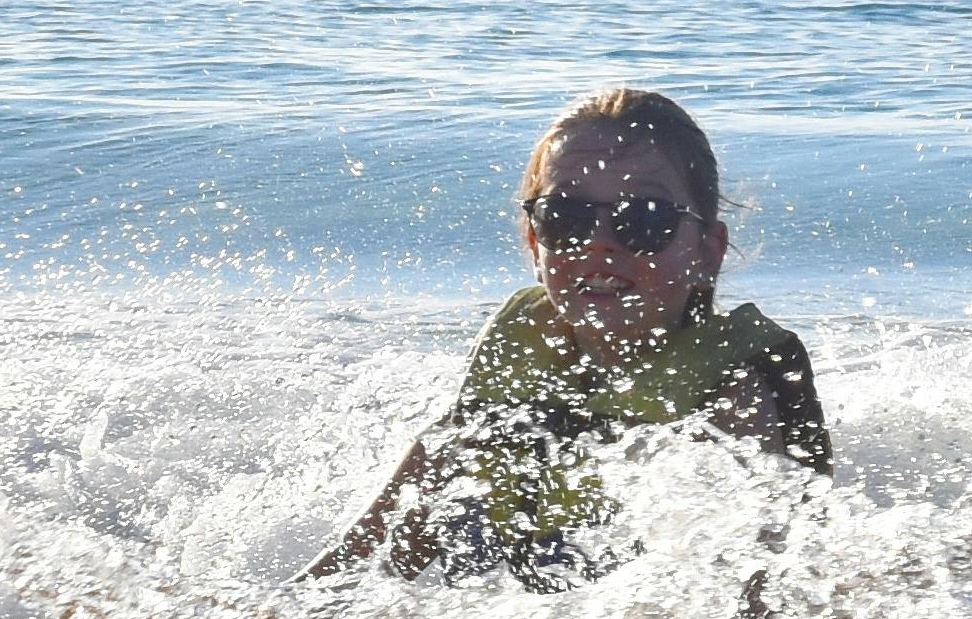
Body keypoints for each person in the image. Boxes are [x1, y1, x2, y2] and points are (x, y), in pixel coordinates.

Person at [316, 87, 831, 584]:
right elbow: (360, 569)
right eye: (566, 217)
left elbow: (767, 592)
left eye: (645, 219)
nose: (599, 244)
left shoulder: (731, 393)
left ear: (707, 251)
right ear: (533, 241)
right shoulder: (520, 349)